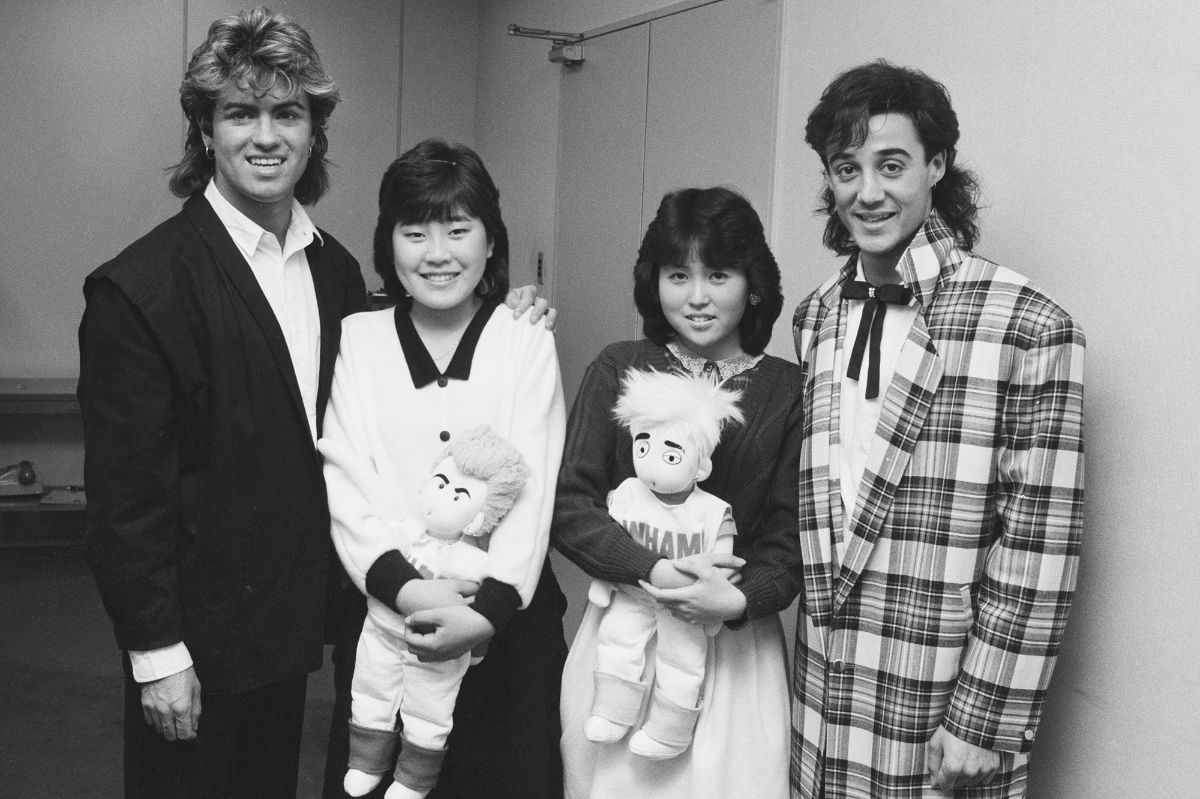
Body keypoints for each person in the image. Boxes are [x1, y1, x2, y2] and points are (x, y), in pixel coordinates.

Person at [78, 9, 547, 797]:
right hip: (197, 641)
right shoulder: (141, 287)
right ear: (204, 129)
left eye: (287, 112)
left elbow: (395, 361)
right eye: (240, 111)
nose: (266, 135)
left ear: (314, 130)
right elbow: (126, 500)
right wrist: (156, 652)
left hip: (295, 633)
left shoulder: (333, 273)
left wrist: (506, 312)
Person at [790, 60, 1086, 798]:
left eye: (891, 164)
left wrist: (985, 717)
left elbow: (1039, 545)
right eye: (846, 168)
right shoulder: (817, 312)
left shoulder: (1028, 324)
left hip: (941, 703)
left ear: (937, 165)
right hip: (821, 701)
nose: (868, 191)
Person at [319, 138, 568, 799]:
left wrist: (485, 609)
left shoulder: (524, 340)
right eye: (415, 231)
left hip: (505, 626)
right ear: (388, 244)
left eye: (459, 229)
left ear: (490, 241)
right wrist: (406, 589)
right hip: (386, 613)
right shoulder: (357, 340)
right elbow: (347, 481)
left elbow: (533, 486)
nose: (437, 253)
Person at [554, 186, 804, 799]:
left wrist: (737, 599)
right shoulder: (620, 367)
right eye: (677, 275)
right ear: (652, 281)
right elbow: (570, 505)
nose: (696, 297)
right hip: (623, 639)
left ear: (753, 284)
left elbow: (792, 534)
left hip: (736, 647)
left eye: (718, 274)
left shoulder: (789, 389)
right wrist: (653, 571)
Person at [320, 425, 530, 799]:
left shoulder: (473, 562)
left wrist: (476, 648)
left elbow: (477, 607)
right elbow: (373, 514)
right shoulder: (403, 531)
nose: (441, 496)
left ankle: (413, 780)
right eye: (441, 482)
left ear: (478, 518)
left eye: (458, 494)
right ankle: (365, 762)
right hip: (380, 632)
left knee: (429, 712)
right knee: (370, 693)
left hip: (436, 652)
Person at [583, 369, 742, 760]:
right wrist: (604, 584)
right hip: (631, 594)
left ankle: (670, 733)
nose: (652, 465)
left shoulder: (712, 511)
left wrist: (715, 601)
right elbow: (610, 538)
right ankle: (612, 711)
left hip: (685, 605)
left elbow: (724, 559)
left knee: (684, 662)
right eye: (643, 450)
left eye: (670, 455)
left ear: (700, 466)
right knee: (617, 642)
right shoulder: (628, 493)